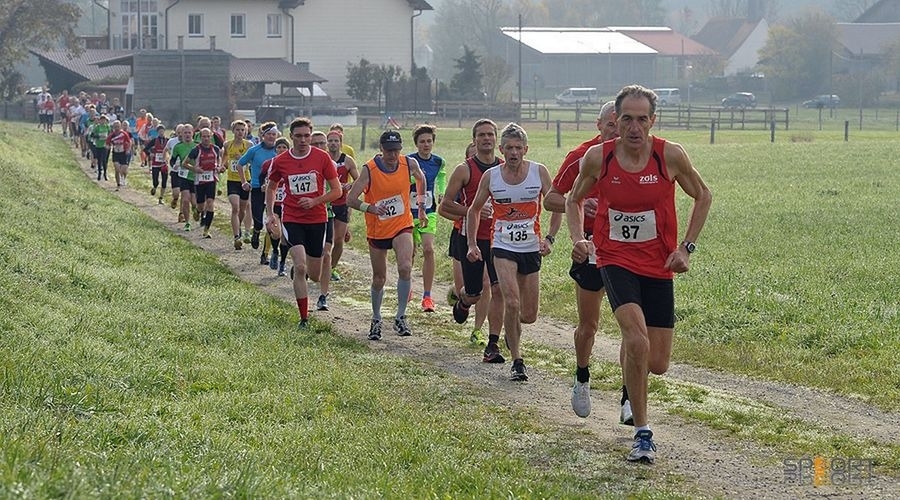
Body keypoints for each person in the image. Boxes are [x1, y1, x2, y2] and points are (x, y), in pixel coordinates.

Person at [568, 84, 712, 463]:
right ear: (615, 121)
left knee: (658, 363)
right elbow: (573, 198)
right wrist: (577, 239)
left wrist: (686, 247)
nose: (633, 127)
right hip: (614, 259)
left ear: (653, 120)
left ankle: (632, 378)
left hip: (659, 264)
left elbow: (703, 195)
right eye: (626, 119)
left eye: (641, 119)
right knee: (636, 339)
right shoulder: (600, 159)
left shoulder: (670, 156)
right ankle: (642, 432)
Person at [543, 101, 623, 420]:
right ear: (598, 125)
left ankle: (630, 394)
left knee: (634, 325)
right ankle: (582, 377)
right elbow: (551, 199)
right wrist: (577, 205)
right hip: (589, 249)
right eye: (611, 125)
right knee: (589, 325)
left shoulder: (637, 156)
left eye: (623, 124)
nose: (616, 131)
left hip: (625, 250)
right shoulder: (581, 156)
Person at [465, 122, 554, 382]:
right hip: (502, 246)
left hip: (530, 247)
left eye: (518, 148)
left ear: (525, 149)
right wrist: (472, 244)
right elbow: (474, 209)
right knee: (511, 302)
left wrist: (549, 238)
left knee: (528, 314)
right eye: (509, 148)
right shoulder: (491, 176)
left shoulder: (539, 172)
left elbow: (557, 204)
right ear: (502, 149)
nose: (514, 153)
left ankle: (511, 331)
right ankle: (518, 360)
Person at [346, 130, 428, 340]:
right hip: (378, 228)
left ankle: (401, 316)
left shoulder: (409, 164)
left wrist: (420, 205)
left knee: (405, 267)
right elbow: (351, 199)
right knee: (379, 277)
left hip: (402, 224)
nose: (393, 155)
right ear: (381, 150)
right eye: (389, 151)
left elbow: (421, 178)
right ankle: (376, 318)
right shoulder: (370, 169)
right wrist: (370, 208)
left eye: (396, 150)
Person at [265, 118, 342, 329]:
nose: (303, 140)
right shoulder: (281, 161)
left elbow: (337, 191)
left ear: (311, 135)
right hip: (292, 218)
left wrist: (315, 201)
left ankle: (302, 273)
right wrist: (271, 213)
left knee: (314, 275)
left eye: (306, 136)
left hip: (317, 219)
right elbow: (271, 188)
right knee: (300, 266)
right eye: (298, 136)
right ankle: (304, 318)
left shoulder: (322, 158)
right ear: (291, 137)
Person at [438, 120, 505, 360]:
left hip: (499, 239)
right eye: (482, 135)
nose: (487, 139)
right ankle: (464, 302)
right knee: (476, 292)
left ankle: (493, 343)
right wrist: (472, 210)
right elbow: (444, 205)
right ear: (474, 139)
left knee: (498, 289)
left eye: (490, 135)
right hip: (472, 238)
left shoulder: (504, 168)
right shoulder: (464, 169)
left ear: (496, 139)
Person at [407, 124, 447, 312]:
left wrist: (441, 192)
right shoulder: (408, 161)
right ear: (416, 144)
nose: (426, 144)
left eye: (429, 141)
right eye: (422, 141)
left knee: (429, 250)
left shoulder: (438, 161)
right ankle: (406, 288)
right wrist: (416, 179)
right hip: (408, 212)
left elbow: (441, 176)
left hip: (429, 210)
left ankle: (427, 296)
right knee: (410, 253)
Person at [238, 122, 280, 256]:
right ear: (263, 135)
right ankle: (256, 232)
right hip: (257, 189)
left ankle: (266, 252)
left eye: (274, 134)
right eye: (269, 134)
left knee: (271, 220)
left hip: (275, 190)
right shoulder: (254, 150)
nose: (271, 137)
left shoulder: (280, 150)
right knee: (258, 221)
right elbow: (240, 164)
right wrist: (244, 181)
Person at [325, 129, 359, 282]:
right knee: (326, 240)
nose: (333, 143)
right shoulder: (322, 158)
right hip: (325, 204)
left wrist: (349, 186)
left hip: (342, 204)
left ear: (341, 143)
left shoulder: (348, 160)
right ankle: (319, 265)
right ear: (327, 143)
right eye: (330, 141)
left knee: (338, 240)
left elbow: (359, 180)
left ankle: (331, 269)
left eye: (336, 141)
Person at [183, 127, 224, 238]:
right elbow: (184, 163)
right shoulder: (196, 150)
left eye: (208, 136)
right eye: (204, 137)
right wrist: (194, 169)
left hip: (211, 179)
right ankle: (197, 210)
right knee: (201, 206)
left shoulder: (215, 149)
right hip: (199, 181)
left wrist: (219, 167)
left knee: (210, 203)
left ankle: (206, 230)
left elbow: (218, 160)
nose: (206, 139)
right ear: (200, 138)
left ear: (211, 137)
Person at [261, 138, 291, 275]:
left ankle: (283, 263)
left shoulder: (292, 165)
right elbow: (262, 178)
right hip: (274, 203)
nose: (281, 150)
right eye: (279, 147)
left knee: (285, 237)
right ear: (275, 149)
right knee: (276, 232)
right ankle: (274, 250)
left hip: (287, 204)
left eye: (284, 147)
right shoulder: (268, 164)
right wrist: (262, 186)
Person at [222, 120, 253, 249]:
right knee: (235, 207)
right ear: (233, 130)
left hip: (245, 180)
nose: (240, 132)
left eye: (242, 130)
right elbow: (224, 157)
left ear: (245, 131)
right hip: (232, 180)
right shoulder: (227, 144)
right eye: (238, 129)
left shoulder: (249, 145)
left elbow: (252, 160)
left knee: (243, 208)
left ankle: (243, 230)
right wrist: (222, 165)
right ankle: (236, 237)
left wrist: (242, 157)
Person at [169, 124, 199, 231]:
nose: (187, 135)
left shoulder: (197, 146)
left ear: (193, 134)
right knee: (185, 200)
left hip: (195, 176)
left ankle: (196, 209)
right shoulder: (178, 147)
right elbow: (172, 160)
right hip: (183, 176)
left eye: (189, 133)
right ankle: (187, 222)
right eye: (185, 133)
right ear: (181, 134)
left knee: (194, 202)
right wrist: (174, 166)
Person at [143, 124, 169, 204]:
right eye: (160, 131)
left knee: (164, 181)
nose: (161, 132)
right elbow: (145, 149)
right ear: (157, 132)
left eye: (162, 131)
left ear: (164, 131)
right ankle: (154, 187)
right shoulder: (154, 141)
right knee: (156, 181)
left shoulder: (168, 140)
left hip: (164, 164)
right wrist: (150, 154)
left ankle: (161, 198)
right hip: (155, 164)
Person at [106, 119, 133, 190]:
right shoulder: (112, 135)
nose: (117, 128)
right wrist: (108, 147)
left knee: (124, 169)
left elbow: (129, 142)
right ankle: (118, 184)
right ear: (113, 127)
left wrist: (128, 149)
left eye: (118, 126)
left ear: (120, 126)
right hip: (116, 153)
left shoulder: (124, 134)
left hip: (123, 153)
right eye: (115, 127)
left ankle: (123, 178)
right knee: (117, 169)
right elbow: (107, 143)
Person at [89, 114, 111, 181]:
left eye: (104, 120)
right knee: (99, 160)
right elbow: (92, 135)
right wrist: (98, 136)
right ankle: (99, 174)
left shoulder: (107, 127)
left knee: (104, 160)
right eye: (101, 120)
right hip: (98, 145)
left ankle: (105, 173)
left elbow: (110, 135)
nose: (103, 121)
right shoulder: (97, 127)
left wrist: (108, 140)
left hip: (105, 145)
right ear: (100, 120)